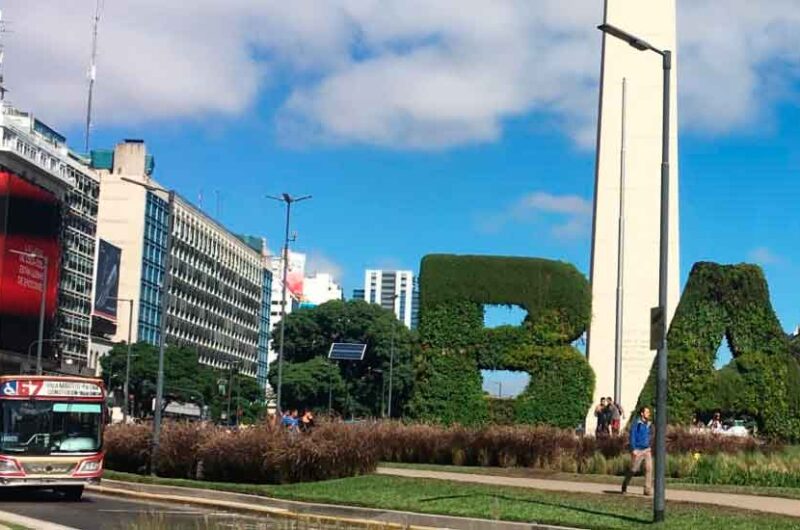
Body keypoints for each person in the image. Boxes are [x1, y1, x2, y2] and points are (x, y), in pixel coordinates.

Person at [622, 406, 653, 496]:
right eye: (647, 412)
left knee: (649, 468)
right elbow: (632, 436)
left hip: (647, 450)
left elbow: (651, 435)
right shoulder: (636, 423)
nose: (649, 414)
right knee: (633, 469)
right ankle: (625, 485)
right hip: (638, 450)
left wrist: (649, 444)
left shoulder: (649, 424)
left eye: (649, 412)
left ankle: (647, 489)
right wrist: (633, 448)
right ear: (642, 413)